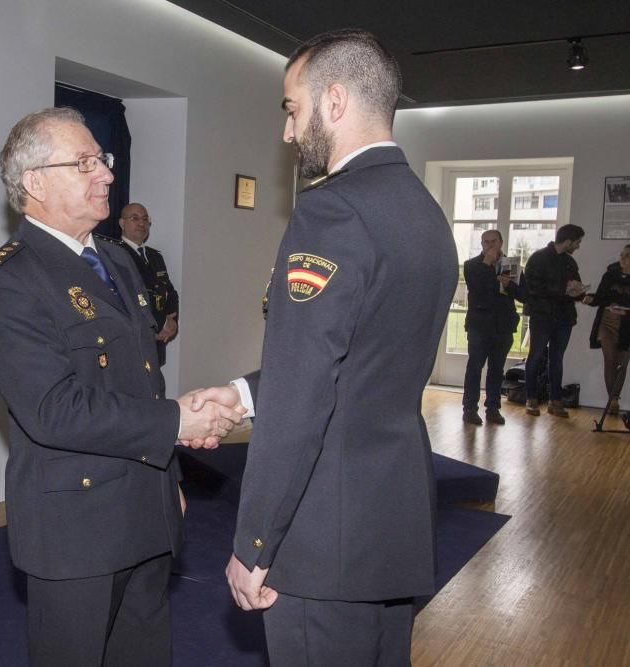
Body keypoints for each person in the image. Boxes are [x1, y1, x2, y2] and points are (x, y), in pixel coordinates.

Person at [189, 30, 458, 665]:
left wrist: (256, 543)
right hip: (389, 520)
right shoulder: (423, 211)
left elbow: (306, 394)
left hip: (323, 537)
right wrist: (243, 393)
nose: (287, 133)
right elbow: (358, 361)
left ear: (333, 101)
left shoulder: (331, 212)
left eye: (291, 108)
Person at [0, 107, 241, 667]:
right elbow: (53, 410)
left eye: (104, 159)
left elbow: (140, 380)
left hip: (145, 505)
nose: (107, 174)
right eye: (85, 162)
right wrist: (177, 423)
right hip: (77, 525)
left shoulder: (115, 258)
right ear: (34, 183)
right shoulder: (3, 280)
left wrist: (168, 475)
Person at [521, 224, 586, 417]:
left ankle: (555, 400)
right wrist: (563, 289)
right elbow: (532, 288)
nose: (578, 246)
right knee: (536, 356)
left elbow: (574, 288)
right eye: (577, 242)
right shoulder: (538, 258)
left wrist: (578, 291)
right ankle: (531, 398)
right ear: (568, 241)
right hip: (542, 316)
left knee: (557, 359)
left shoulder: (570, 262)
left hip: (564, 317)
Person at [462, 229, 524, 425]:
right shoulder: (472, 265)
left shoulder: (511, 266)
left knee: (496, 369)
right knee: (474, 367)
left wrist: (509, 286)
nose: (489, 245)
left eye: (493, 241)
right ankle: (470, 409)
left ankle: (493, 408)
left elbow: (524, 295)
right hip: (479, 326)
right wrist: (487, 263)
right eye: (485, 242)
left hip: (503, 326)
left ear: (501, 242)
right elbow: (476, 289)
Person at [118, 203, 179, 367]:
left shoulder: (154, 257)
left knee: (157, 390)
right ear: (122, 224)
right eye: (135, 218)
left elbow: (170, 292)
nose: (141, 224)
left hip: (156, 344)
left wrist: (172, 323)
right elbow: (129, 297)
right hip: (133, 341)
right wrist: (159, 324)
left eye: (145, 219)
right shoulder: (115, 254)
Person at [585, 245, 630, 413]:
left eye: (627, 256)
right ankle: (613, 401)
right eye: (622, 255)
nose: (623, 259)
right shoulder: (610, 274)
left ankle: (614, 398)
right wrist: (590, 298)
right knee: (609, 360)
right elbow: (601, 297)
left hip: (626, 324)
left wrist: (624, 311)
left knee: (621, 364)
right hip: (607, 321)